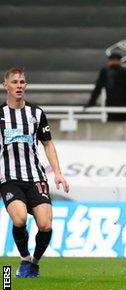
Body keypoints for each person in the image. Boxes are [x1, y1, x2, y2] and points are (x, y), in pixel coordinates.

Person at [0, 68, 70, 278]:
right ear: (6, 86)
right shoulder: (0, 115)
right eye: (14, 82)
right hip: (9, 177)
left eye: (22, 82)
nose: (19, 85)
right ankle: (24, 258)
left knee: (45, 224)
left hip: (35, 177)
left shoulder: (36, 114)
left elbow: (48, 144)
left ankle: (35, 262)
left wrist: (57, 173)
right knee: (20, 219)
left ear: (26, 86)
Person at [86, 53, 126, 121]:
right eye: (113, 60)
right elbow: (98, 88)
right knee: (113, 123)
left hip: (124, 103)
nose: (114, 61)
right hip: (111, 103)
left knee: (124, 123)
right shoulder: (105, 72)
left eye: (116, 60)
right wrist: (91, 103)